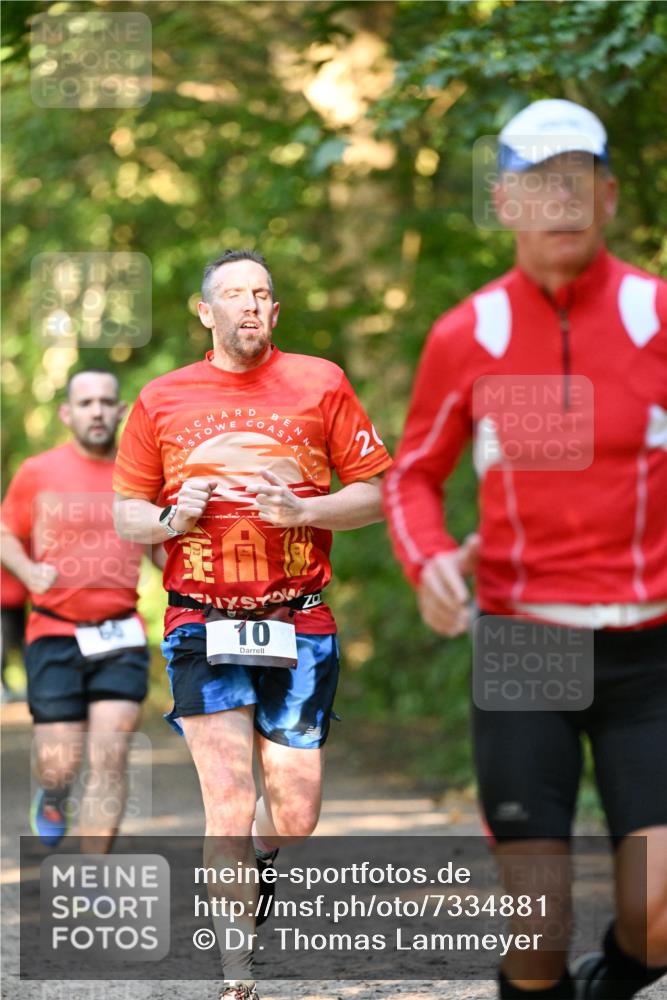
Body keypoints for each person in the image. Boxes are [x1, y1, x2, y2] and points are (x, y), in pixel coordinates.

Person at [385, 99, 666, 1000]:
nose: (560, 200)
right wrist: (427, 558)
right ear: (503, 202)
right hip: (524, 645)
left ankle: (606, 986)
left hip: (649, 651)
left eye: (576, 179)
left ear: (609, 195)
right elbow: (410, 478)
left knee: (659, 914)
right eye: (537, 183)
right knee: (534, 921)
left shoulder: (655, 315)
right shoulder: (467, 335)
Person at [112, 248, 392, 1000]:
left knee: (294, 812)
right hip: (201, 620)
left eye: (261, 294)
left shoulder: (320, 383)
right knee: (229, 795)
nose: (249, 306)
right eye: (233, 295)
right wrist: (170, 517)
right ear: (205, 312)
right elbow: (127, 514)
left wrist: (307, 510)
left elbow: (375, 493)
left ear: (275, 310)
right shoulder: (161, 398)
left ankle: (265, 859)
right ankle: (236, 972)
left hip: (297, 619)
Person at [1, 369, 151, 851]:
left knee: (110, 757)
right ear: (68, 413)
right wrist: (27, 570)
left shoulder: (143, 474)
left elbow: (160, 544)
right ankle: (53, 792)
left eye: (107, 402)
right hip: (54, 633)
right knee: (59, 761)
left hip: (121, 634)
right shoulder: (38, 472)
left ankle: (93, 876)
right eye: (86, 403)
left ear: (121, 410)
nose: (97, 411)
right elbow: (5, 533)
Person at [1, 565, 28, 702]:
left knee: (16, 644)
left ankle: (12, 687)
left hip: (18, 598)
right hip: (8, 599)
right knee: (8, 645)